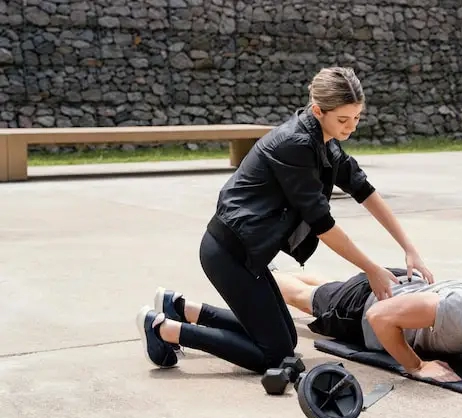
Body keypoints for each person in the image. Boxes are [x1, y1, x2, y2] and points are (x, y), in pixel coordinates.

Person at [134, 67, 434, 372]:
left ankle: (181, 309)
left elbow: (364, 190)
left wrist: (409, 248)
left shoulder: (326, 141)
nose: (352, 127)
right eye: (344, 119)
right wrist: (371, 269)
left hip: (249, 254)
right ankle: (162, 329)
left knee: (286, 340)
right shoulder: (296, 144)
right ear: (318, 111)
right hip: (228, 253)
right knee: (275, 356)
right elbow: (323, 224)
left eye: (357, 118)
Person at [139, 267, 462, 384]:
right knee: (301, 301)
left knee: (320, 286)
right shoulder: (457, 310)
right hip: (359, 310)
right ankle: (256, 277)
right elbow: (380, 319)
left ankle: (179, 306)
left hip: (403, 290)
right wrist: (416, 366)